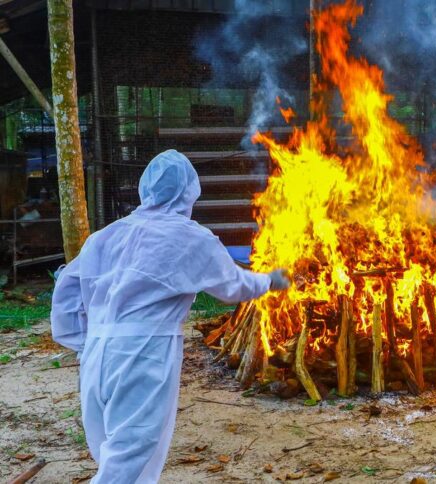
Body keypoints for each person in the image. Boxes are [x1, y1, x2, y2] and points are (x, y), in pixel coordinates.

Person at [50, 150, 293, 483]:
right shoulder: (190, 237)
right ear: (189, 193)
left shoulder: (105, 236)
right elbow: (233, 286)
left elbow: (65, 291)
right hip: (144, 352)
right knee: (130, 455)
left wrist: (85, 342)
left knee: (109, 447)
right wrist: (270, 280)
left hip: (96, 354)